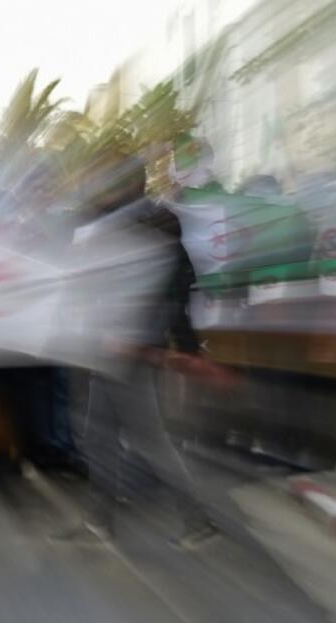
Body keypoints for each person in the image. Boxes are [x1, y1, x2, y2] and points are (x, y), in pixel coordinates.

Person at [52, 151, 219, 550]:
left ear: (129, 183)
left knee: (148, 438)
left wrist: (171, 343)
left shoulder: (156, 220)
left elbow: (173, 288)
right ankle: (99, 521)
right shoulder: (101, 222)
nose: (99, 188)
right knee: (99, 437)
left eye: (107, 179)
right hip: (106, 344)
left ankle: (198, 521)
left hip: (134, 348)